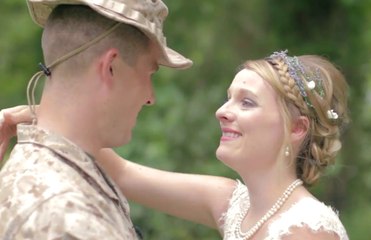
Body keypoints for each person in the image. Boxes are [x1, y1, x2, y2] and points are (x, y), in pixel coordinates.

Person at [1, 50, 350, 239]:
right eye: (228, 99)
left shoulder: (307, 232)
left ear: (296, 129)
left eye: (246, 103)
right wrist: (46, 115)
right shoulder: (232, 203)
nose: (222, 112)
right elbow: (122, 172)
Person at [0, 0, 192, 239]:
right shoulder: (67, 217)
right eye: (148, 73)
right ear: (110, 67)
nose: (150, 97)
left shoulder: (45, 173)